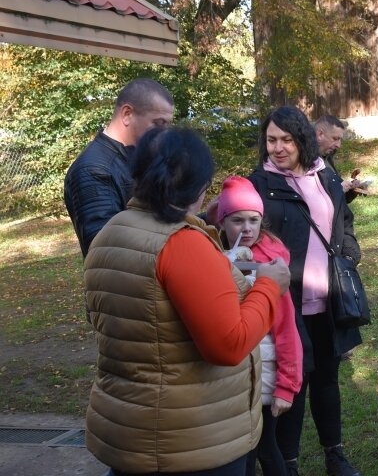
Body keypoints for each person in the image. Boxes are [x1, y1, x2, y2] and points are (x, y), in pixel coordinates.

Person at [83, 126, 291, 475]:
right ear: (201, 188)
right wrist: (269, 287)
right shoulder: (183, 246)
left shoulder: (112, 231)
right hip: (190, 444)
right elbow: (228, 345)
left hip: (130, 431)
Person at [247, 106, 362, 476]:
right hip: (285, 301)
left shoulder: (325, 175)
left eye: (286, 140)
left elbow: (342, 217)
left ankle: (335, 454)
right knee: (291, 382)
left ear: (303, 139)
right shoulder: (260, 183)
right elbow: (245, 233)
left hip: (328, 297)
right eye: (271, 140)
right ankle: (288, 462)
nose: (278, 148)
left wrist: (349, 248)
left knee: (327, 377)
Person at [211, 175, 304, 476]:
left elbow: (287, 329)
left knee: (263, 446)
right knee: (240, 450)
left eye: (254, 219)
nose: (247, 228)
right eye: (237, 220)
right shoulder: (213, 257)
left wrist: (287, 386)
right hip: (231, 375)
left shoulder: (272, 267)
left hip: (265, 376)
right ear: (223, 222)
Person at [64, 78, 174, 257]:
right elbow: (104, 248)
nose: (164, 133)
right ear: (127, 114)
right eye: (158, 123)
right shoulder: (93, 169)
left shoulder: (136, 158)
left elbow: (157, 224)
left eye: (167, 125)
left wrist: (206, 219)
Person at [314, 115, 363, 203]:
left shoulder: (327, 158)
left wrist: (352, 190)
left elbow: (340, 202)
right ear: (320, 134)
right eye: (335, 139)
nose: (338, 145)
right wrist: (338, 190)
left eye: (340, 140)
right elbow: (313, 203)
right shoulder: (304, 165)